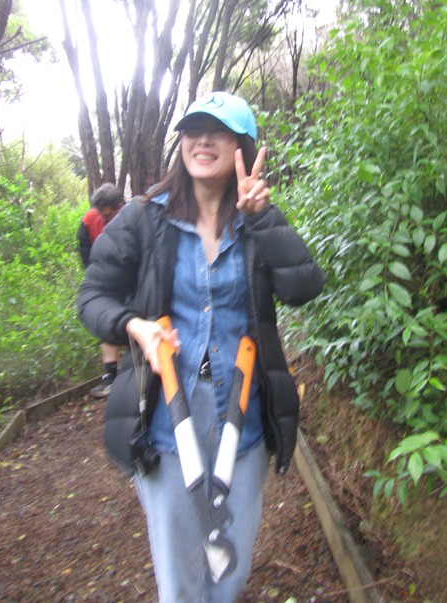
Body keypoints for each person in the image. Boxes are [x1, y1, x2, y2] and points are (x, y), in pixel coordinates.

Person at [77, 91, 325, 602]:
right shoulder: (144, 217)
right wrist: (134, 326)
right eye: (193, 130)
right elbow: (92, 297)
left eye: (218, 131)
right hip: (167, 416)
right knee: (182, 576)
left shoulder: (256, 221)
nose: (202, 141)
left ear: (242, 147)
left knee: (230, 569)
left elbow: (304, 287)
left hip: (242, 416)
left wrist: (263, 219)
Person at [77, 182, 124, 398]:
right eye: (100, 214)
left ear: (120, 207)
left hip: (133, 278)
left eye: (107, 215)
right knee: (108, 324)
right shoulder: (88, 221)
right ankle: (110, 377)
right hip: (106, 280)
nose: (102, 220)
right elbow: (86, 256)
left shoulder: (136, 218)